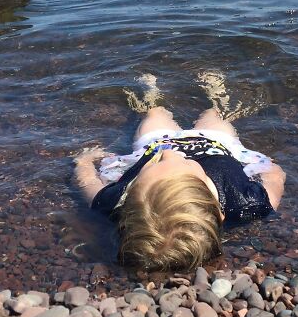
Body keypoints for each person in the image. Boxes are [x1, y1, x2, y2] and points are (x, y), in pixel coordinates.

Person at [74, 73, 286, 272]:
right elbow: (275, 178)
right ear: (219, 212)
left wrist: (84, 161)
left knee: (154, 114)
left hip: (158, 142)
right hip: (214, 142)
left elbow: (88, 182)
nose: (170, 154)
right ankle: (215, 94)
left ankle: (152, 95)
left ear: (130, 201)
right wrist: (269, 168)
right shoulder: (247, 202)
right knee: (215, 115)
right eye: (185, 163)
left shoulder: (117, 202)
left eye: (151, 167)